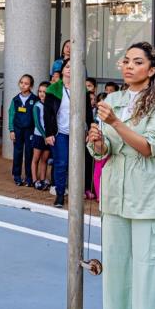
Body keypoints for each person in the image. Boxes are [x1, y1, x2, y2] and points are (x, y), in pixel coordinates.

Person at [86, 42, 155, 309]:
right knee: (116, 282)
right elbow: (104, 151)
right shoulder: (113, 100)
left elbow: (150, 147)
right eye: (125, 61)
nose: (128, 66)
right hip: (114, 196)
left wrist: (114, 124)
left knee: (148, 283)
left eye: (137, 62)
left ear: (152, 69)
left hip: (148, 198)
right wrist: (97, 142)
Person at [43, 59, 94, 208]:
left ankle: (75, 193)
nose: (70, 69)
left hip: (78, 133)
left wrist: (90, 129)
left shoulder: (82, 89)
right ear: (62, 69)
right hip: (60, 132)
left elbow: (88, 112)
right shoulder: (53, 89)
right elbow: (47, 114)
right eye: (67, 66)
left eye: (74, 66)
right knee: (62, 163)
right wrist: (48, 133)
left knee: (77, 164)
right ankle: (60, 194)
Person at [8, 74, 39, 186]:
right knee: (17, 152)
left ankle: (29, 177)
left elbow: (37, 117)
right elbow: (11, 115)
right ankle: (16, 175)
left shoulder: (35, 99)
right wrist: (11, 130)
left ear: (31, 86)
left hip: (30, 131)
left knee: (29, 153)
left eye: (26, 84)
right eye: (21, 83)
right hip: (17, 130)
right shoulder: (15, 100)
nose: (23, 85)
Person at [31, 81, 51, 191]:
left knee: (45, 159)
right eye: (40, 91)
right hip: (39, 136)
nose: (42, 94)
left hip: (48, 137)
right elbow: (37, 124)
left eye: (44, 92)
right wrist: (44, 136)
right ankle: (35, 180)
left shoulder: (51, 105)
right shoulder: (37, 106)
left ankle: (43, 179)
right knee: (36, 159)